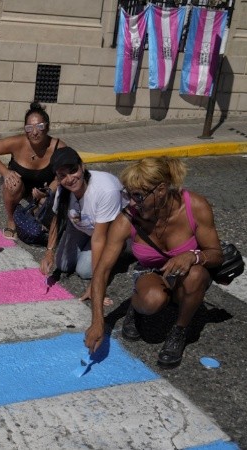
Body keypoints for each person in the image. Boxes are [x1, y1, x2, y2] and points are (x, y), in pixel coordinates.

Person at [85, 157, 224, 368]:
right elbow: (102, 270)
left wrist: (193, 256)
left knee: (196, 275)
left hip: (187, 274)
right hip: (152, 272)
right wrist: (98, 322)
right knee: (151, 300)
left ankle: (179, 330)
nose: (131, 202)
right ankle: (137, 306)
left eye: (138, 196)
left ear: (160, 190)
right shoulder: (127, 219)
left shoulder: (195, 206)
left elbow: (216, 254)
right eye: (128, 195)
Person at [39, 147, 125, 305]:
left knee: (85, 271)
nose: (70, 179)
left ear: (82, 166)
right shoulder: (63, 189)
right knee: (63, 265)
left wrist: (95, 286)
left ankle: (120, 252)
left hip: (107, 231)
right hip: (83, 225)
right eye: (62, 176)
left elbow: (99, 239)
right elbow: (56, 219)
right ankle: (93, 252)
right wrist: (49, 252)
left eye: (73, 171)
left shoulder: (105, 190)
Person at [0, 102, 67, 240]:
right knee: (12, 183)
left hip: (41, 190)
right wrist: (5, 172)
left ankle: (34, 209)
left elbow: (64, 175)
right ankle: (11, 220)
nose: (34, 132)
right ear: (25, 130)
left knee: (49, 225)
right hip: (18, 186)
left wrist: (48, 191)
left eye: (39, 126)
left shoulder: (58, 147)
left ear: (47, 127)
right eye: (29, 127)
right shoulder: (17, 142)